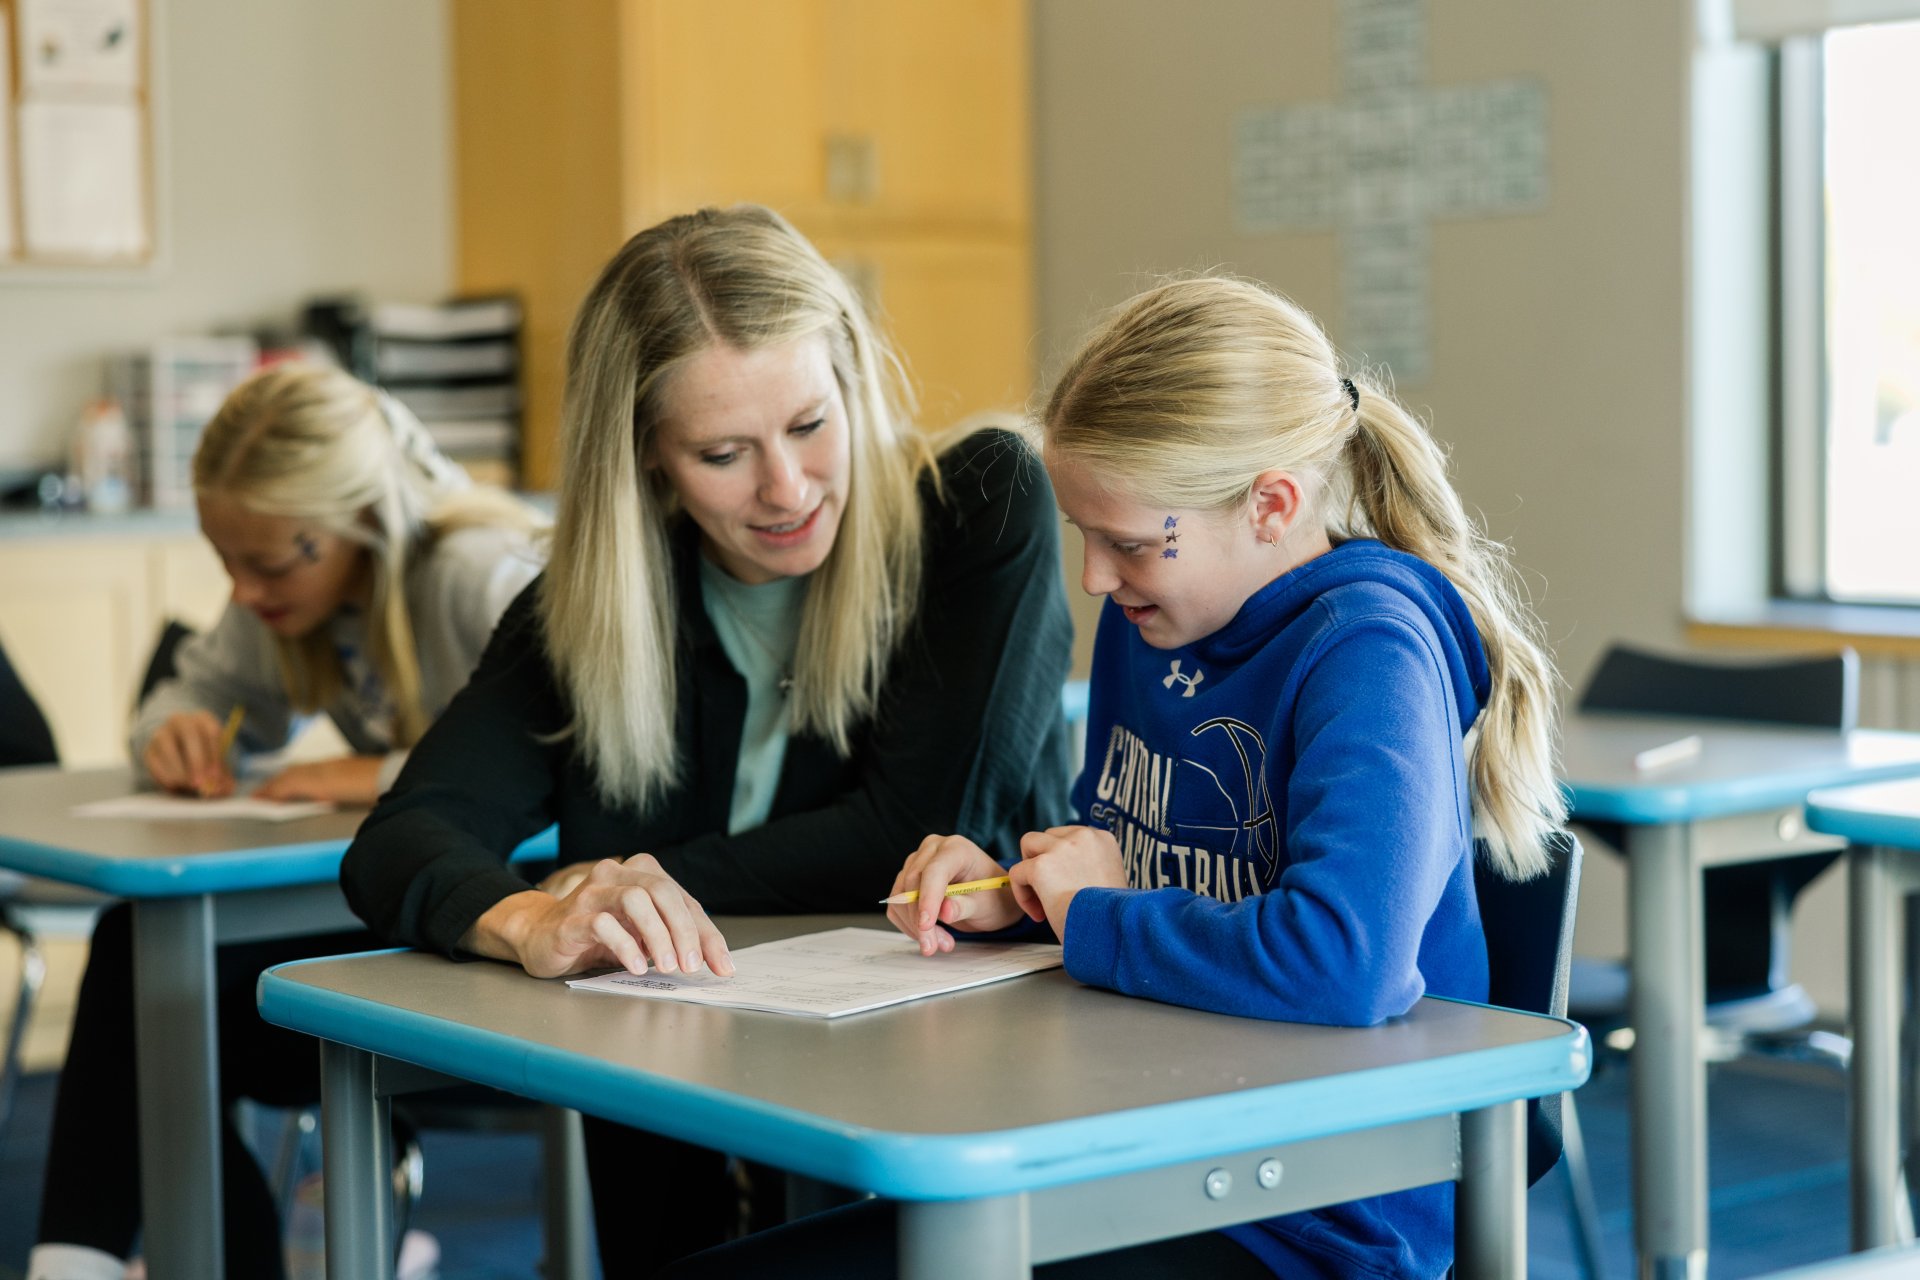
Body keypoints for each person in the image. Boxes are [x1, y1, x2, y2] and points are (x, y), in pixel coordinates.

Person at [667, 275, 1566, 1279]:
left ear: (1270, 504)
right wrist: (1019, 890)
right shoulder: (1160, 613)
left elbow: (1343, 962)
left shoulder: (1370, 653)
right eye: (1085, 536)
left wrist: (1092, 911)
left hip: (1304, 1215)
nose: (1094, 577)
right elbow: (1137, 876)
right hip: (1138, 1149)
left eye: (1128, 543)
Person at [339, 204, 1077, 1275]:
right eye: (723, 452)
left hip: (940, 1093)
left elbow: (910, 838)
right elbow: (405, 836)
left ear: (856, 381)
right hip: (673, 1098)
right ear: (645, 456)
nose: (786, 487)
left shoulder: (978, 509)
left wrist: (615, 882)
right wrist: (536, 917)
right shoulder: (587, 607)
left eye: (812, 424)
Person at [30, 362, 544, 1280]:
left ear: (356, 523)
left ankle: (83, 1263)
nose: (245, 591)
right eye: (225, 561)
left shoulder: (480, 576)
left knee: (151, 991)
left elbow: (579, 760)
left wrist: (382, 771)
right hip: (405, 911)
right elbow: (201, 686)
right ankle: (99, 1261)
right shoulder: (289, 591)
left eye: (267, 564)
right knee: (148, 979)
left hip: (508, 940)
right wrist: (170, 730)